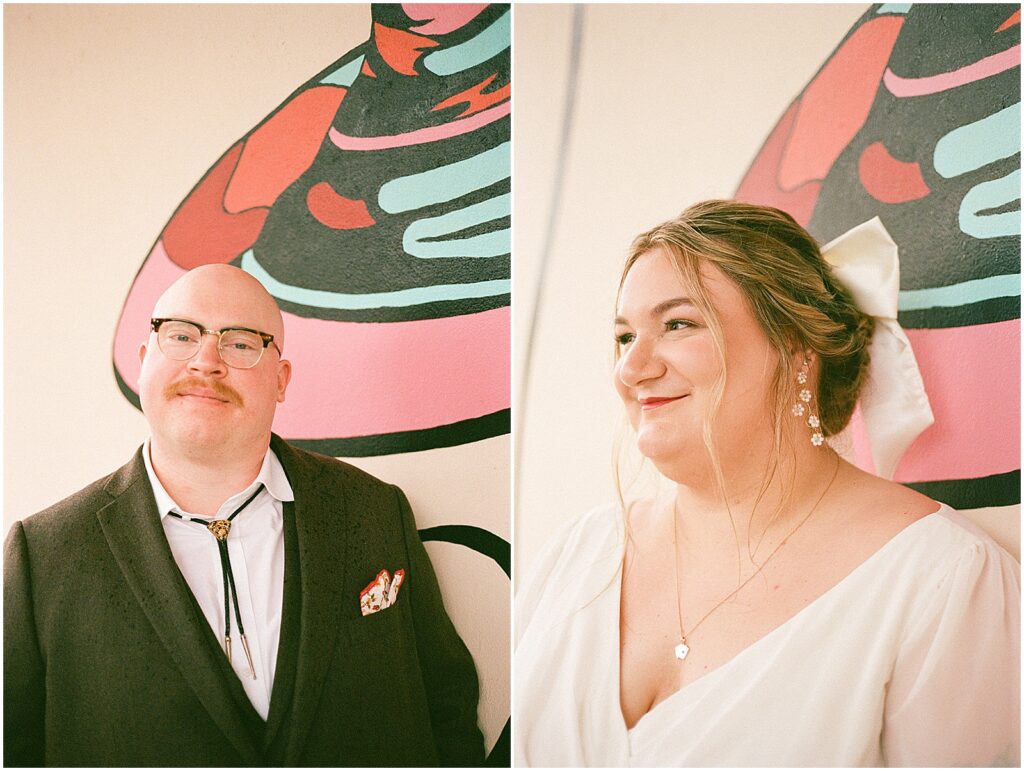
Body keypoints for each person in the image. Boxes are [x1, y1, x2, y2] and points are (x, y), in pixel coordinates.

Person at [514, 200, 1020, 766]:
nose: (631, 370)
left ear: (796, 351)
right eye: (625, 337)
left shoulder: (940, 580)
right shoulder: (574, 556)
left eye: (678, 324)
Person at [4, 264, 484, 767]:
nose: (205, 362)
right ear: (145, 361)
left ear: (281, 380)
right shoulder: (43, 557)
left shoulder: (374, 510)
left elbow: (447, 708)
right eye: (182, 335)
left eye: (240, 343)